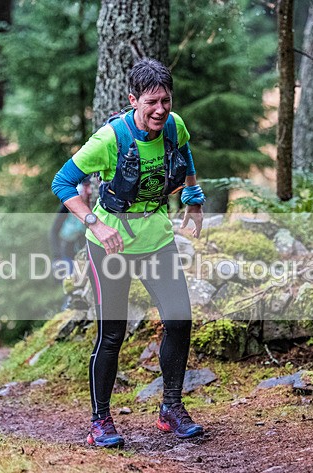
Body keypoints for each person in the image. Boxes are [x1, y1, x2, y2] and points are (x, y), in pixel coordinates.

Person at [51, 58, 206, 448]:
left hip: (157, 239)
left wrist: (193, 196)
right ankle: (100, 421)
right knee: (112, 334)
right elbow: (62, 182)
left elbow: (184, 153)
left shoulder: (174, 125)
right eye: (151, 102)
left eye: (166, 101)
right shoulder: (109, 140)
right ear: (133, 100)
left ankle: (171, 408)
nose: (160, 110)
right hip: (110, 246)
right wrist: (95, 224)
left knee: (179, 320)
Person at [49, 178, 92, 309]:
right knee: (70, 285)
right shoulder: (68, 205)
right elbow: (54, 230)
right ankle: (67, 310)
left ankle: (78, 309)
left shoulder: (93, 206)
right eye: (86, 187)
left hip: (83, 254)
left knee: (82, 284)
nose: (89, 191)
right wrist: (57, 256)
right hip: (67, 253)